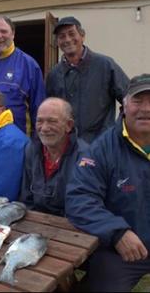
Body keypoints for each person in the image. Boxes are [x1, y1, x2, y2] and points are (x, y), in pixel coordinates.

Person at [65, 74, 150, 292]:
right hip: (122, 251)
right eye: (138, 101)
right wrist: (117, 232)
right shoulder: (102, 148)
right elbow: (79, 198)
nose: (146, 109)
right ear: (125, 104)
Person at [46, 16, 129, 143]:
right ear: (57, 42)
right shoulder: (54, 74)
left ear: (82, 36)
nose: (67, 40)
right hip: (67, 147)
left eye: (71, 34)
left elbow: (129, 99)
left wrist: (117, 130)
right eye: (62, 36)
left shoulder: (105, 65)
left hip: (101, 145)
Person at [19, 97, 88, 216]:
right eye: (39, 121)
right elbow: (26, 199)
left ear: (69, 125)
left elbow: (83, 208)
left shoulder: (85, 157)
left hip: (70, 226)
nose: (44, 128)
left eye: (52, 121)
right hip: (37, 222)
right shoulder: (31, 149)